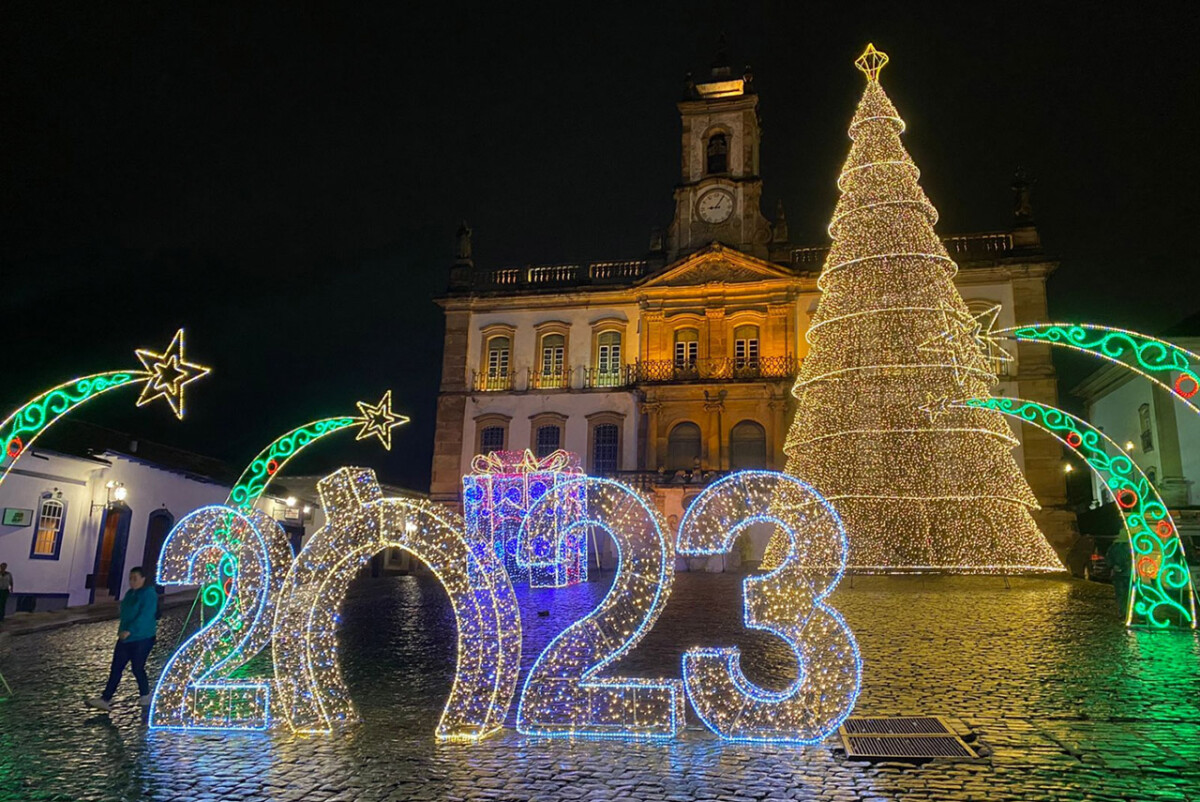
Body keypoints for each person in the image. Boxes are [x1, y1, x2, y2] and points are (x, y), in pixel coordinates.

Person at [86, 566, 158, 712]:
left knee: (137, 668)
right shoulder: (130, 594)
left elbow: (144, 615)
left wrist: (130, 630)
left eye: (135, 578)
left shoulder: (149, 595)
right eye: (130, 578)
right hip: (125, 638)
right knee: (116, 668)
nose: (132, 582)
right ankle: (105, 699)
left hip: (142, 638)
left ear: (143, 579)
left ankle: (145, 695)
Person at [1105, 536, 1133, 619]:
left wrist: (1114, 566)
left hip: (1118, 574)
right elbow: (1131, 559)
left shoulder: (1113, 547)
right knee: (1128, 594)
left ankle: (1122, 612)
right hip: (1128, 573)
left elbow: (1108, 559)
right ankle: (1126, 612)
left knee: (1120, 594)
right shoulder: (1130, 547)